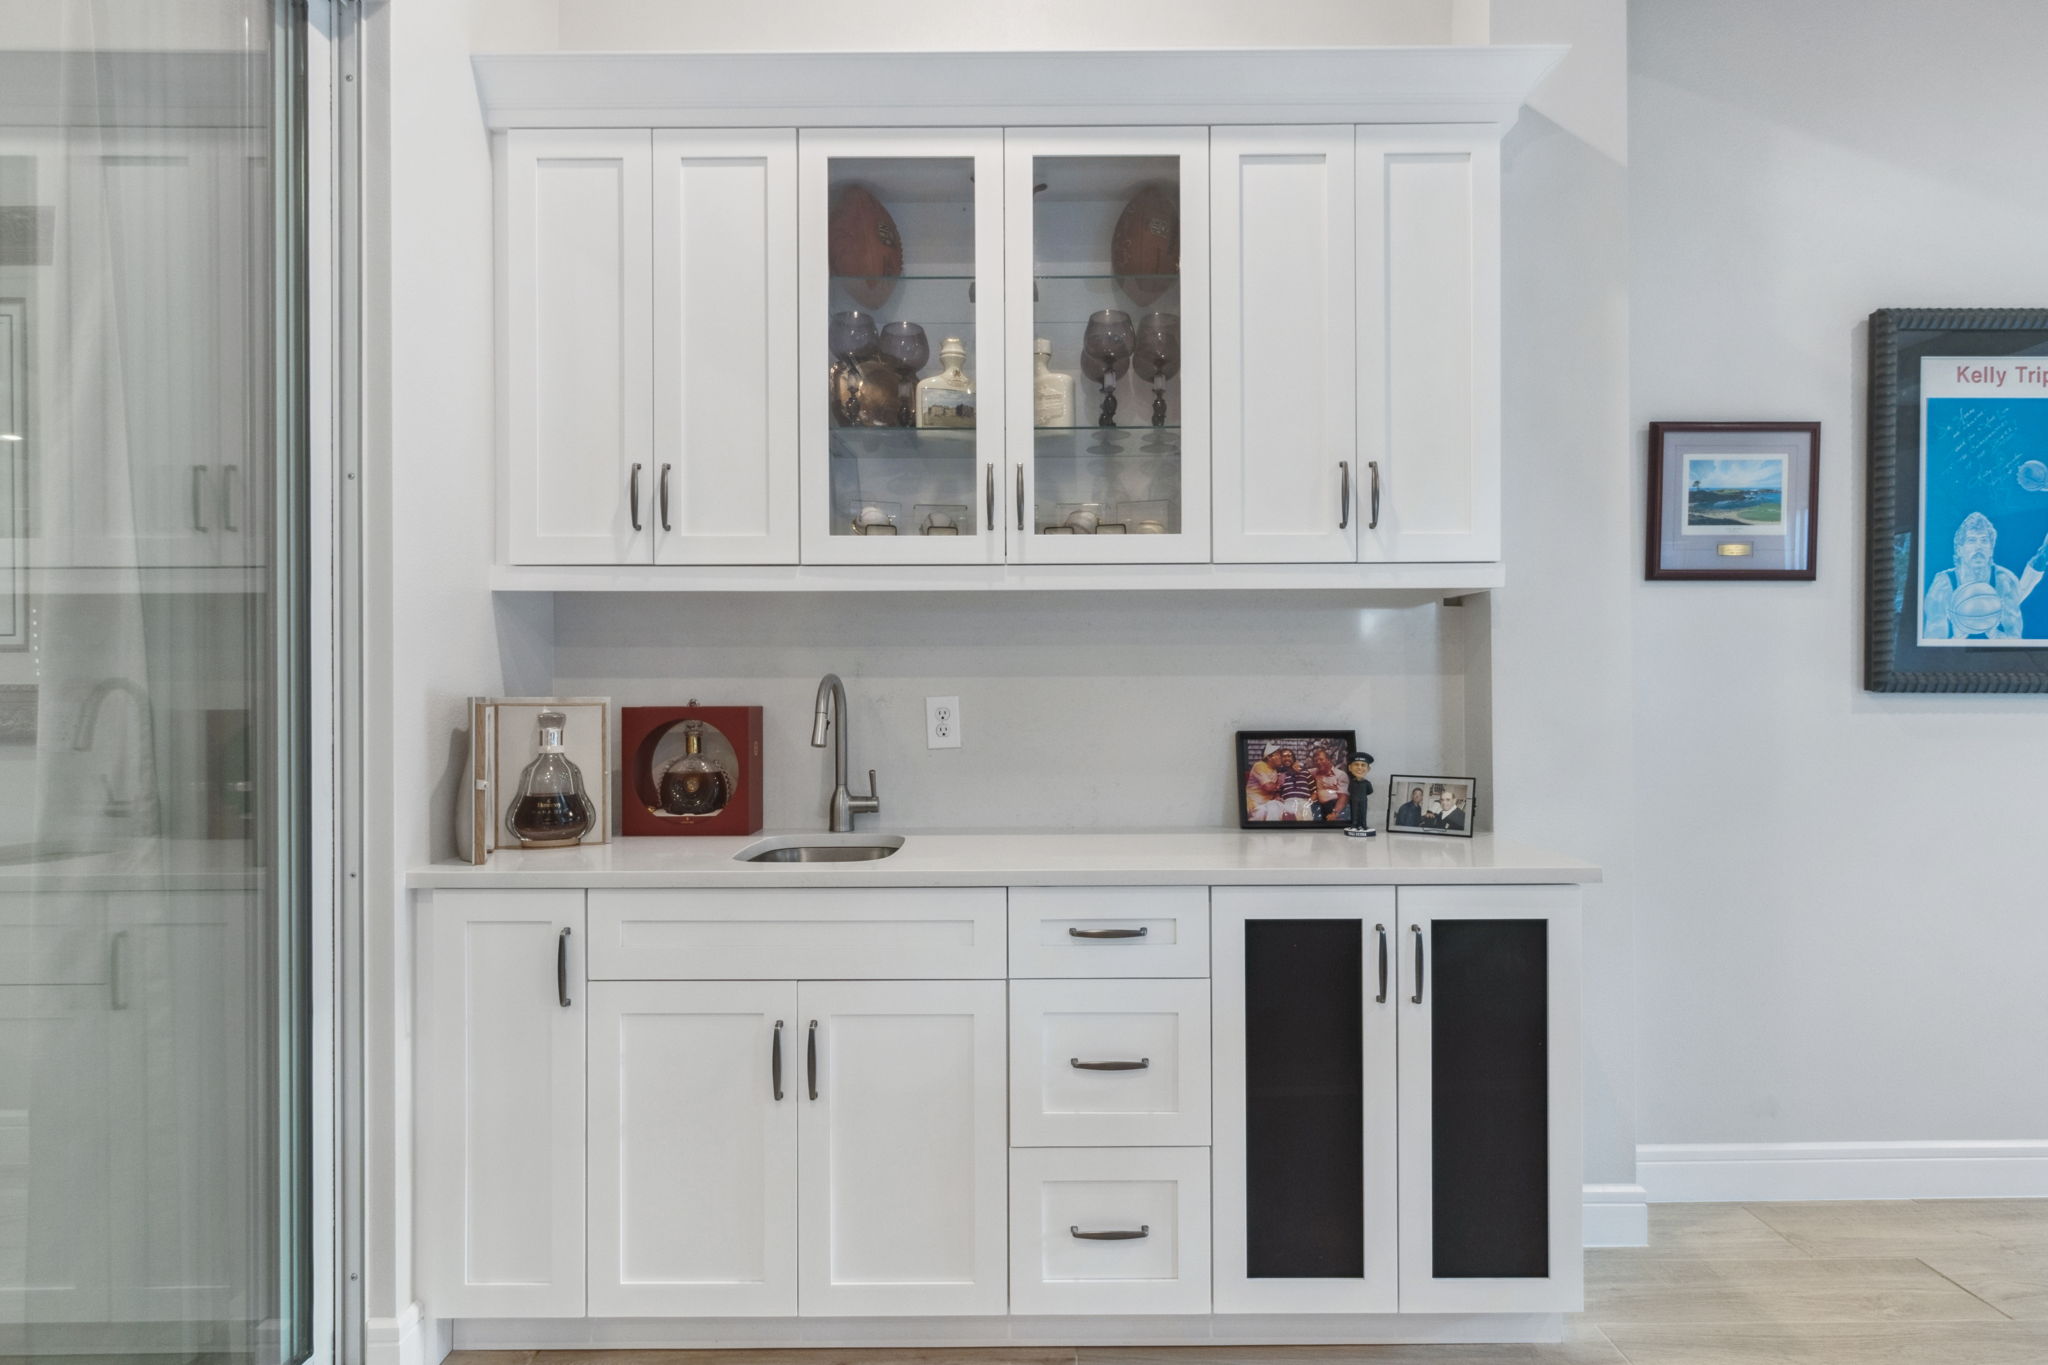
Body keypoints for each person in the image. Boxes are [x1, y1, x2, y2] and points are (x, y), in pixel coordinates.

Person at [1923, 511, 2026, 640]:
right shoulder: (1943, 585)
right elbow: (1933, 645)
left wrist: (1994, 635)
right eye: (1971, 540)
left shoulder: (2005, 581)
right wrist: (1957, 638)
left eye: (1984, 541)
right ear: (1959, 549)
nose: (1979, 547)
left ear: (1991, 548)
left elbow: (2015, 640)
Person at [1342, 752, 1377, 838]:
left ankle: (1363, 826)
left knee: (1363, 813)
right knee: (1354, 813)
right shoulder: (1352, 783)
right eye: (1356, 764)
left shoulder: (1367, 783)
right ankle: (1354, 826)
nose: (1359, 768)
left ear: (1368, 769)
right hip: (1353, 801)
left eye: (1363, 765)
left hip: (1363, 800)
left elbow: (1370, 791)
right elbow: (1350, 790)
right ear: (1350, 768)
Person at [1309, 747, 1348, 822]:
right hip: (1319, 807)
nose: (1318, 762)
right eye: (1316, 761)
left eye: (1321, 759)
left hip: (1335, 806)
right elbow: (1301, 771)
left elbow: (1343, 797)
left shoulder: (1340, 775)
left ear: (1328, 760)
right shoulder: (1314, 772)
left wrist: (1335, 813)